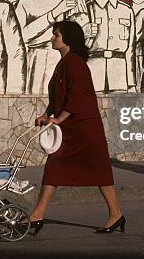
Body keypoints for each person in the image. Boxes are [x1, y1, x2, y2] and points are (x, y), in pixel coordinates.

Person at [29, 20, 125, 235]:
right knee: (55, 167)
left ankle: (116, 213)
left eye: (56, 35)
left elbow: (78, 95)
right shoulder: (64, 63)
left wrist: (60, 118)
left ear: (68, 38)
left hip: (84, 127)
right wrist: (48, 114)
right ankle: (38, 214)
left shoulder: (75, 63)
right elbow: (59, 94)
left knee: (98, 170)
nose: (52, 38)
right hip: (71, 126)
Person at [15, 0, 79, 94]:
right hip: (35, 59)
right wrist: (54, 13)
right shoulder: (25, 2)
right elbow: (21, 36)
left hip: (62, 58)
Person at [84, 0, 136, 93]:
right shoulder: (86, 9)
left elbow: (131, 49)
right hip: (93, 73)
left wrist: (131, 84)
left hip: (119, 75)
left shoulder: (126, 10)